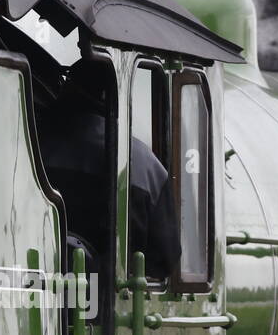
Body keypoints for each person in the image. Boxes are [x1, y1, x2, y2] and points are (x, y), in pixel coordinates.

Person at [36, 61, 180, 280]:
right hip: (105, 304)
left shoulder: (23, 143)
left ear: (70, 89)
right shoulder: (146, 166)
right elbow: (164, 260)